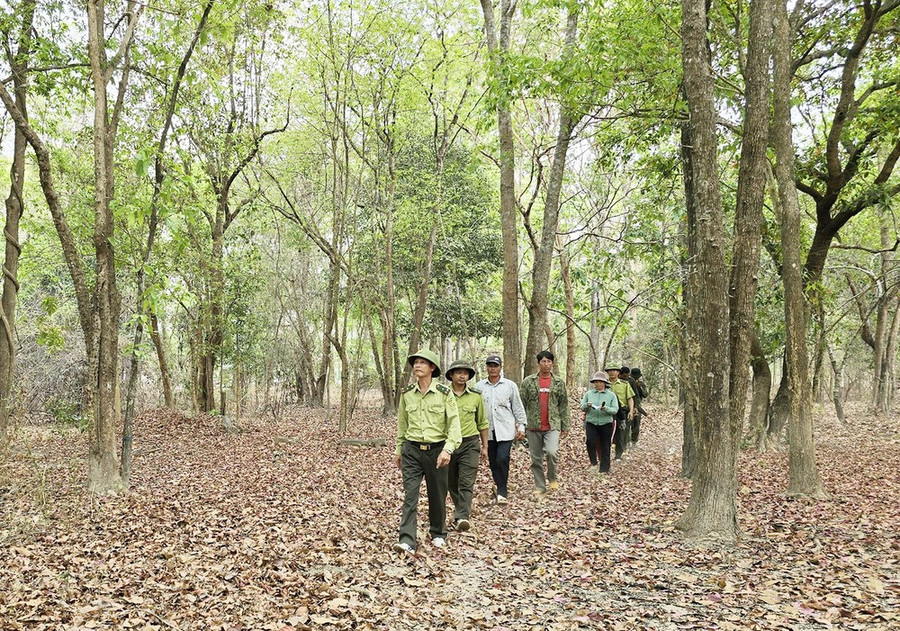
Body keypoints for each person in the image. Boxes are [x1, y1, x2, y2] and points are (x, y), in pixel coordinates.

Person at [394, 349, 462, 555]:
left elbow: (454, 425)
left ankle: (438, 533)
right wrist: (399, 450)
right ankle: (407, 539)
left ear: (432, 368)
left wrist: (448, 450)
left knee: (437, 494)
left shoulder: (444, 393)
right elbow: (402, 424)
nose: (417, 365)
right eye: (415, 362)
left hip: (437, 451)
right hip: (412, 451)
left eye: (423, 363)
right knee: (410, 495)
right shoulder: (407, 394)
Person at [475, 354, 526, 505]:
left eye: (495, 366)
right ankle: (499, 485)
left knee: (502, 458)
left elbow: (517, 407)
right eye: (490, 366)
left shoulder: (510, 386)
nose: (492, 369)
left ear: (500, 368)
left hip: (505, 429)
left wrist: (521, 426)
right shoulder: (478, 387)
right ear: (486, 368)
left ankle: (502, 490)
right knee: (493, 461)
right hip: (487, 431)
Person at [520, 350, 571, 495]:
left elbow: (563, 405)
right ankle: (540, 485)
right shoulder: (528, 382)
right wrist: (520, 425)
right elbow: (521, 404)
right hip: (533, 425)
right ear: (538, 363)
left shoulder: (558, 382)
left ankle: (552, 478)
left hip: (552, 425)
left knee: (551, 452)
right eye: (543, 361)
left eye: (549, 361)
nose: (546, 364)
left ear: (552, 364)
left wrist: (565, 425)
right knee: (536, 459)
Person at [445, 359, 488, 532]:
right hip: (448, 444)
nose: (462, 376)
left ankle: (462, 516)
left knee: (466, 482)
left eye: (465, 373)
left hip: (469, 443)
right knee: (451, 482)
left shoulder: (476, 396)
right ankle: (460, 509)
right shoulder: (443, 394)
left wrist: (485, 446)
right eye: (458, 372)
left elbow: (482, 422)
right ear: (451, 375)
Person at [579, 370, 619, 474]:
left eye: (600, 382)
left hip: (606, 423)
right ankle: (593, 463)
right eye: (596, 382)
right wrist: (587, 405)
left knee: (605, 445)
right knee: (590, 441)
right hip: (591, 422)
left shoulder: (611, 395)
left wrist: (605, 408)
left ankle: (604, 468)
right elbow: (581, 406)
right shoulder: (589, 394)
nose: (598, 384)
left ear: (605, 383)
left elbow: (615, 409)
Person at [606, 365, 634, 460]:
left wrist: (631, 411)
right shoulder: (604, 384)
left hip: (621, 411)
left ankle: (618, 455)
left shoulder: (624, 384)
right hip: (607, 411)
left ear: (618, 372)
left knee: (621, 434)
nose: (612, 372)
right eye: (610, 371)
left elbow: (630, 398)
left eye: (614, 370)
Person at [630, 367, 650, 445]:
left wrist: (640, 387)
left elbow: (645, 395)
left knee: (636, 425)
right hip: (629, 405)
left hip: (638, 406)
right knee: (628, 425)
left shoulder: (641, 384)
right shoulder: (628, 382)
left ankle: (634, 442)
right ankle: (626, 442)